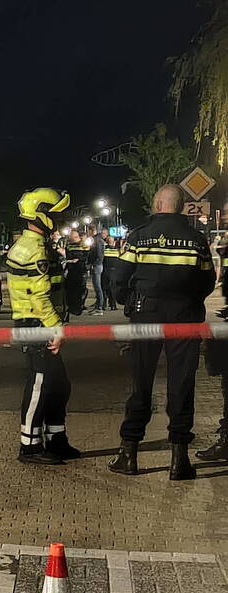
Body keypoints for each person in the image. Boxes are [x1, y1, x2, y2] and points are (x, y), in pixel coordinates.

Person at [108, 185, 217, 480]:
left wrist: (127, 301)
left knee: (140, 381)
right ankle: (179, 459)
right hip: (186, 315)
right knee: (182, 382)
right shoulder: (197, 240)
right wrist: (191, 301)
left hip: (146, 313)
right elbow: (208, 280)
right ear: (181, 207)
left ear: (157, 204)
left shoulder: (139, 237)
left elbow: (119, 278)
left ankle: (129, 453)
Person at [6, 187, 80, 465]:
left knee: (58, 385)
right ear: (42, 216)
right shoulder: (34, 250)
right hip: (37, 325)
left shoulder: (34, 245)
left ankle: (56, 439)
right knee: (39, 385)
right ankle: (30, 447)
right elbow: (39, 298)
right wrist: (56, 328)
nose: (60, 221)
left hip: (38, 323)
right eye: (57, 215)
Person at [63, 230, 89, 316]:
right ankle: (72, 307)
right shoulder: (69, 245)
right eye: (71, 237)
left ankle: (78, 307)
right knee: (71, 290)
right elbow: (67, 256)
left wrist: (79, 260)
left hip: (80, 270)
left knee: (79, 290)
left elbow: (87, 256)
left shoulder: (84, 245)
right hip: (71, 270)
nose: (72, 238)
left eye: (74, 236)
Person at [87, 228, 109, 314]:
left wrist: (94, 264)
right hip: (97, 265)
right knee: (97, 287)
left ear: (92, 231)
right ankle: (98, 306)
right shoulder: (97, 239)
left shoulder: (97, 240)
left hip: (97, 265)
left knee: (97, 287)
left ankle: (99, 308)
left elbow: (99, 254)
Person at [101, 235, 120, 311]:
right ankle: (113, 305)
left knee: (104, 288)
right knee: (113, 288)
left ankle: (104, 304)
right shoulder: (117, 250)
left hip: (105, 270)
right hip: (114, 271)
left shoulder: (104, 250)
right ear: (114, 242)